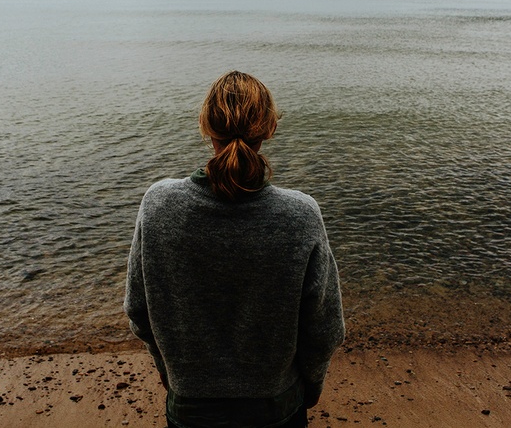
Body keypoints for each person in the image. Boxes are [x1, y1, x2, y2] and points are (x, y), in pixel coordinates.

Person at [124, 70, 345, 428]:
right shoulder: (301, 215)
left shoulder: (158, 205)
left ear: (206, 126)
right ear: (269, 128)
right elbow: (324, 327)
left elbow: (138, 309)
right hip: (277, 408)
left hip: (190, 408)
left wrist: (171, 377)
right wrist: (311, 387)